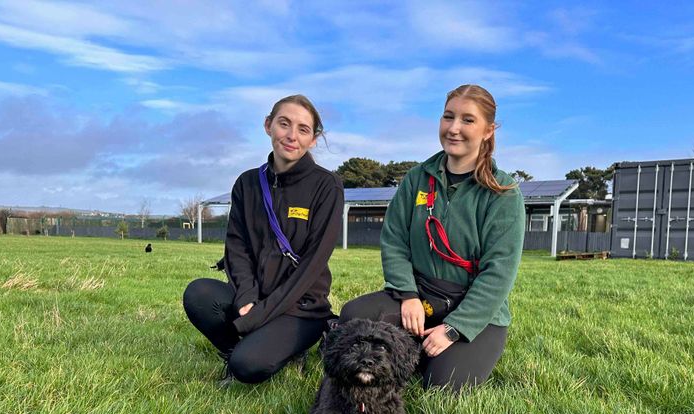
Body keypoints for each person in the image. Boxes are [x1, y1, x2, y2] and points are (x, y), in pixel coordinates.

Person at [340, 84, 525, 391]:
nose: (454, 128)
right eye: (448, 117)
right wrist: (408, 294)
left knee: (441, 385)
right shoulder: (417, 178)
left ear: (488, 130)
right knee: (353, 317)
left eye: (468, 120)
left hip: (474, 306)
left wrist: (455, 329)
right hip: (422, 295)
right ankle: (413, 343)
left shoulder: (502, 193)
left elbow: (499, 273)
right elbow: (395, 240)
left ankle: (436, 352)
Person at [183, 95, 344, 385]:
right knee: (199, 294)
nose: (292, 135)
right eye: (284, 124)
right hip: (255, 297)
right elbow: (237, 247)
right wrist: (246, 298)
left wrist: (258, 317)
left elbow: (311, 266)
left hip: (301, 307)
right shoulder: (247, 183)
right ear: (268, 125)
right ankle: (237, 351)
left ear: (313, 140)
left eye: (303, 129)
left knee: (249, 366)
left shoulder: (326, 186)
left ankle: (282, 350)